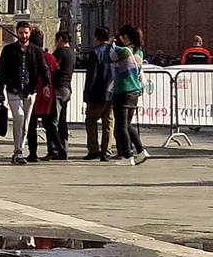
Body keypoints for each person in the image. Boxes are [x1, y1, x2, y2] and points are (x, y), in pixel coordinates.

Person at [0, 21, 48, 163]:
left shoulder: (36, 51)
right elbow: (2, 71)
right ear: (17, 33)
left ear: (30, 33)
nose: (23, 36)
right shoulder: (9, 50)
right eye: (21, 33)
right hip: (13, 89)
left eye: (26, 33)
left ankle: (19, 151)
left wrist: (46, 84)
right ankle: (18, 151)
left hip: (30, 90)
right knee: (18, 117)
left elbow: (43, 68)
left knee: (25, 123)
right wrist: (0, 91)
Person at [111, 26, 149, 164]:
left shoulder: (122, 51)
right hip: (135, 91)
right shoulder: (139, 52)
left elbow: (107, 58)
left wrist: (110, 44)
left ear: (126, 37)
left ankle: (127, 156)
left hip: (122, 89)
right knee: (128, 125)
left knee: (121, 125)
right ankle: (141, 150)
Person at [81, 27, 115, 160]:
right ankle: (107, 150)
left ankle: (93, 148)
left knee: (91, 120)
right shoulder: (115, 51)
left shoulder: (95, 53)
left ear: (96, 38)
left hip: (97, 93)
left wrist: (87, 93)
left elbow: (92, 76)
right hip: (112, 93)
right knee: (108, 123)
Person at [46, 31, 76, 159]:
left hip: (58, 88)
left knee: (52, 121)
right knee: (62, 121)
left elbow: (52, 68)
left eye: (56, 40)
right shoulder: (72, 54)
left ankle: (55, 149)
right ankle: (64, 145)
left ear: (60, 39)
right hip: (67, 88)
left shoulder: (59, 52)